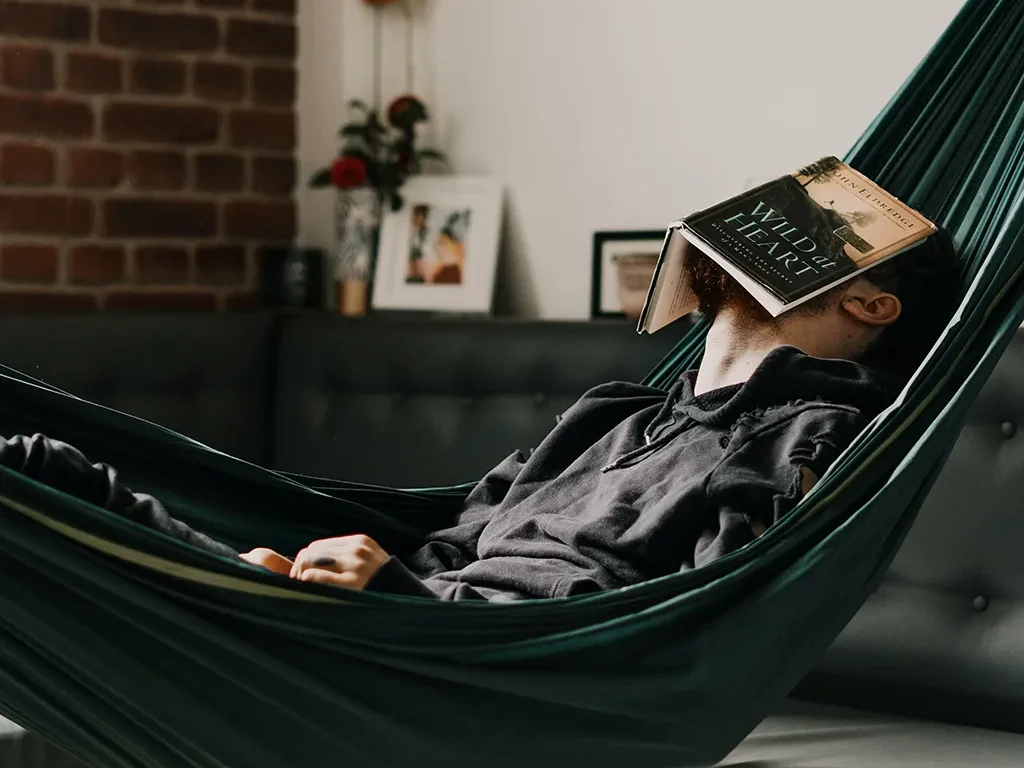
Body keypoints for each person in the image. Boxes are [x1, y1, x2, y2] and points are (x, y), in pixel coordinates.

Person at [0, 231, 957, 601]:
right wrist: (310, 575)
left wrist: (407, 608)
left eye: (828, 241)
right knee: (41, 471)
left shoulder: (822, 436)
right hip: (376, 628)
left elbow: (691, 626)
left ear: (872, 305)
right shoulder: (610, 413)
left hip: (474, 674)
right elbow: (457, 542)